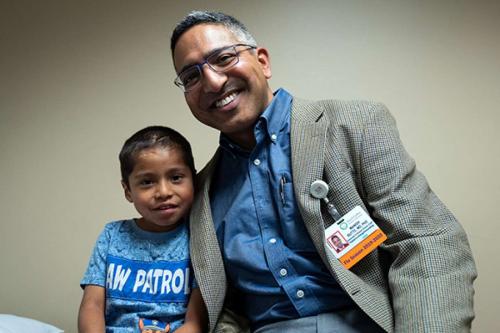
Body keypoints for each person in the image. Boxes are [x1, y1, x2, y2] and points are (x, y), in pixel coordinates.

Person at [170, 11, 477, 333]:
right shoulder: (202, 191)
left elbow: (427, 243)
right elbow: (226, 307)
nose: (213, 82)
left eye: (224, 58)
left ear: (262, 61)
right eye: (191, 76)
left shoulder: (355, 125)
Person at [78, 126, 207, 333]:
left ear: (193, 179)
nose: (164, 192)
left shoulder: (202, 238)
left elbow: (196, 322)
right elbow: (92, 306)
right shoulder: (112, 235)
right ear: (128, 191)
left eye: (176, 177)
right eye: (147, 182)